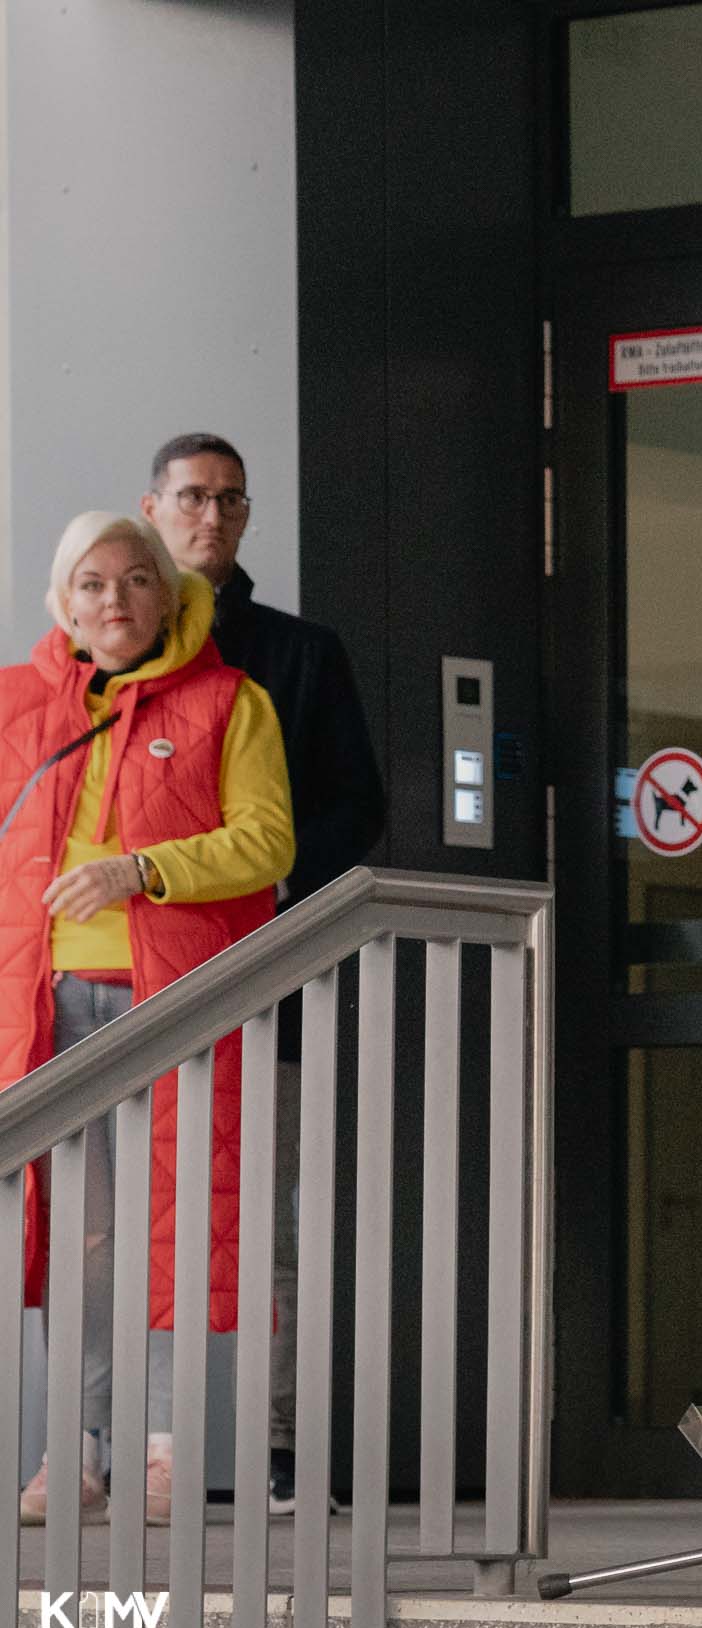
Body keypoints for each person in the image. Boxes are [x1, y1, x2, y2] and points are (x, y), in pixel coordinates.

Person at [2, 513, 293, 1524]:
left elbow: (267, 840)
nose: (113, 601)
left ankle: (166, 1451)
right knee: (74, 1237)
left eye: (135, 579)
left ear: (170, 595)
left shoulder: (230, 700)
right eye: (90, 583)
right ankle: (72, 1455)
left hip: (172, 998)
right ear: (61, 600)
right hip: (40, 1009)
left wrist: (141, 869)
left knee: (177, 1227)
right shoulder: (13, 701)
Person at [141, 432, 385, 1514]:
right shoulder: (104, 649)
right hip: (121, 985)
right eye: (193, 497)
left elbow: (350, 807)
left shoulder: (297, 654)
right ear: (153, 508)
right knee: (117, 1226)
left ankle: (279, 1446)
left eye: (230, 500)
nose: (212, 516)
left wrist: (268, 910)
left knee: (267, 1223)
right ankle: (124, 1445)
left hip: (260, 974)